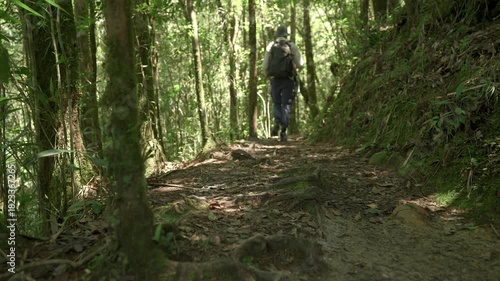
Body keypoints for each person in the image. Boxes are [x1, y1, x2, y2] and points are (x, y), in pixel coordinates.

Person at [263, 25, 304, 142]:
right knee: (286, 104)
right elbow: (301, 64)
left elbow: (265, 65)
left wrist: (267, 73)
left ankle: (277, 122)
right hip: (288, 79)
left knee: (276, 103)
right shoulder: (291, 46)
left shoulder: (271, 46)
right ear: (286, 35)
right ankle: (283, 131)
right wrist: (296, 68)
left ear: (277, 34)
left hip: (275, 79)